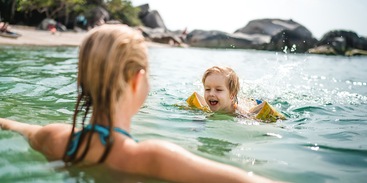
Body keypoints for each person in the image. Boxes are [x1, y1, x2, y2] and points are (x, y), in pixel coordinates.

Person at [0, 24, 276, 183]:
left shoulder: (53, 136)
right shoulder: (155, 157)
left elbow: (11, 124)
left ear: (83, 79)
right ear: (137, 81)